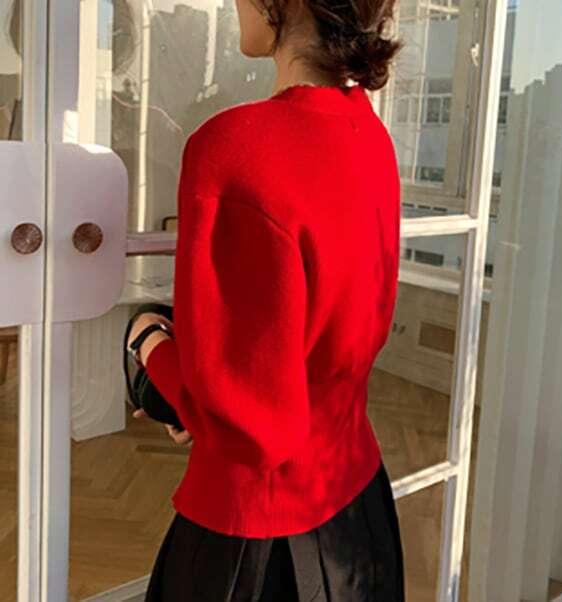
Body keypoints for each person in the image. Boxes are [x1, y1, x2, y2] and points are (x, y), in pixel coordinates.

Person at [127, 0, 405, 597]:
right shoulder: (369, 134)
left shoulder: (235, 150)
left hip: (258, 538)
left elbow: (245, 423)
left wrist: (148, 341)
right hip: (358, 509)